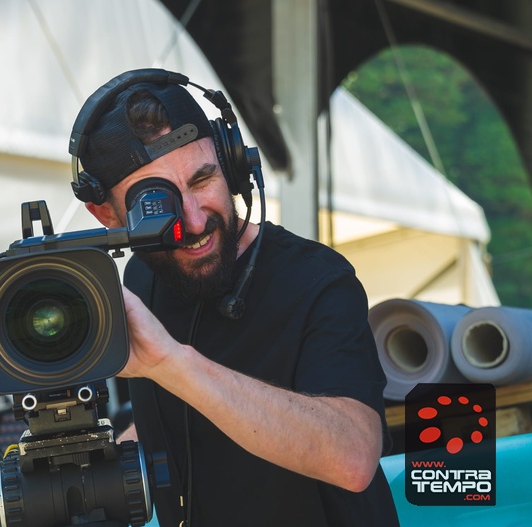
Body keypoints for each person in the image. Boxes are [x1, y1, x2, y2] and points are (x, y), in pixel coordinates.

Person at [68, 69, 401, 527]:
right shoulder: (142, 278)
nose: (194, 219)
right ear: (107, 214)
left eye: (202, 180)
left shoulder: (318, 279)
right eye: (156, 203)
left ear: (232, 165)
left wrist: (172, 363)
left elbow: (353, 457)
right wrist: (68, 494)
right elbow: (166, 419)